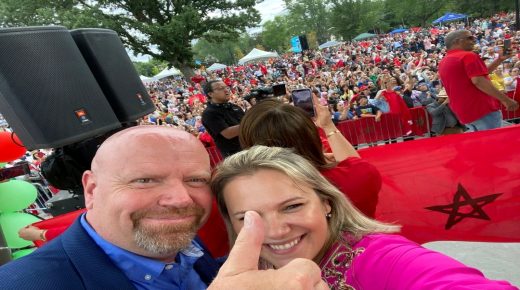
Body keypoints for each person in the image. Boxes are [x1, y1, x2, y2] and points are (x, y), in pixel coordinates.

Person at [0, 126, 327, 290]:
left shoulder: (181, 242)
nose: (181, 199)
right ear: (91, 189)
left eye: (196, 180)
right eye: (145, 180)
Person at [211, 145, 518, 289]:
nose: (276, 230)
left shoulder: (376, 256)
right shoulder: (236, 276)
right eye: (249, 218)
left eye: (291, 206)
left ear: (327, 202)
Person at [239, 98, 381, 218]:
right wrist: (328, 126)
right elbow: (356, 165)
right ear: (311, 134)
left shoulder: (249, 198)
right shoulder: (357, 174)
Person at [439, 30, 519, 132]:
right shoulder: (468, 55)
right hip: (482, 108)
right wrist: (505, 100)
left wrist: (499, 60)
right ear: (457, 41)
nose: (474, 40)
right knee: (493, 143)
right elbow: (478, 81)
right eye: (470, 38)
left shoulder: (444, 61)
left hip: (464, 111)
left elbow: (480, 74)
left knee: (481, 144)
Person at [201, 80, 245, 157]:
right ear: (210, 94)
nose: (226, 90)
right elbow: (228, 133)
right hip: (235, 155)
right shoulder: (209, 113)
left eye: (226, 87)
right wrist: (252, 122)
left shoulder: (234, 107)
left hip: (250, 147)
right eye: (220, 88)